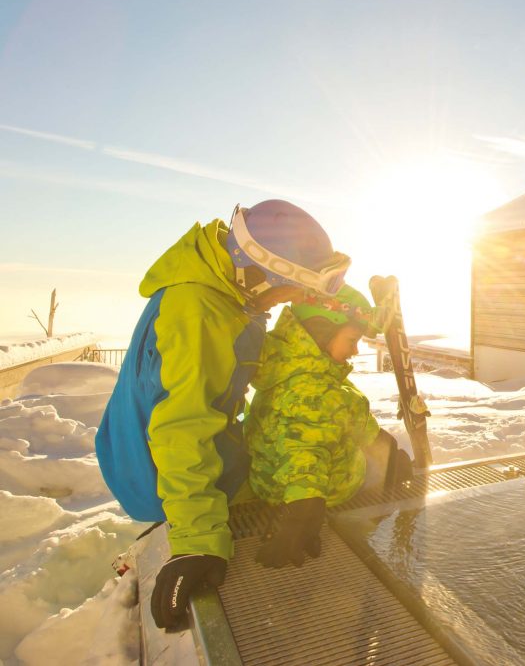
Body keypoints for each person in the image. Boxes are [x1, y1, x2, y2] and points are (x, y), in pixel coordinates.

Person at [94, 200, 350, 629]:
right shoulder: (202, 313)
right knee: (304, 483)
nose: (299, 298)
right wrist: (197, 542)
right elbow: (182, 428)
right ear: (259, 271)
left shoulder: (223, 291)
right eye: (294, 286)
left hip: (172, 454)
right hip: (161, 472)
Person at [244, 285, 411, 568]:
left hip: (272, 477)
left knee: (380, 449)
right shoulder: (312, 390)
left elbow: (341, 417)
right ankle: (386, 470)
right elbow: (304, 450)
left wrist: (385, 444)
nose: (356, 349)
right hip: (319, 486)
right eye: (351, 339)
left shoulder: (296, 365)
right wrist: (302, 510)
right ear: (321, 331)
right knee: (378, 470)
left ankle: (389, 456)